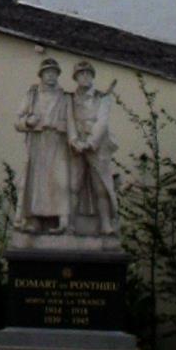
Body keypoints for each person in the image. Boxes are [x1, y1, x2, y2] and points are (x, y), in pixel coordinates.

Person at [14, 58, 70, 234]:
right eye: (48, 73)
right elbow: (17, 121)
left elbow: (74, 122)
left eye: (54, 72)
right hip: (38, 142)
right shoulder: (32, 95)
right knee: (36, 182)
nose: (51, 76)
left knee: (59, 180)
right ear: (41, 75)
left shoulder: (65, 97)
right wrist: (28, 122)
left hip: (58, 141)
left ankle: (60, 218)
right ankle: (35, 219)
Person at [68, 60, 118, 235]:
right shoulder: (71, 98)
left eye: (88, 74)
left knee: (101, 186)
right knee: (73, 185)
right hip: (76, 146)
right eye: (81, 74)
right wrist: (74, 141)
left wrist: (90, 143)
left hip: (96, 146)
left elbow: (102, 122)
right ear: (76, 77)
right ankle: (70, 224)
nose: (85, 77)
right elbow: (69, 121)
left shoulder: (102, 97)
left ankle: (105, 223)